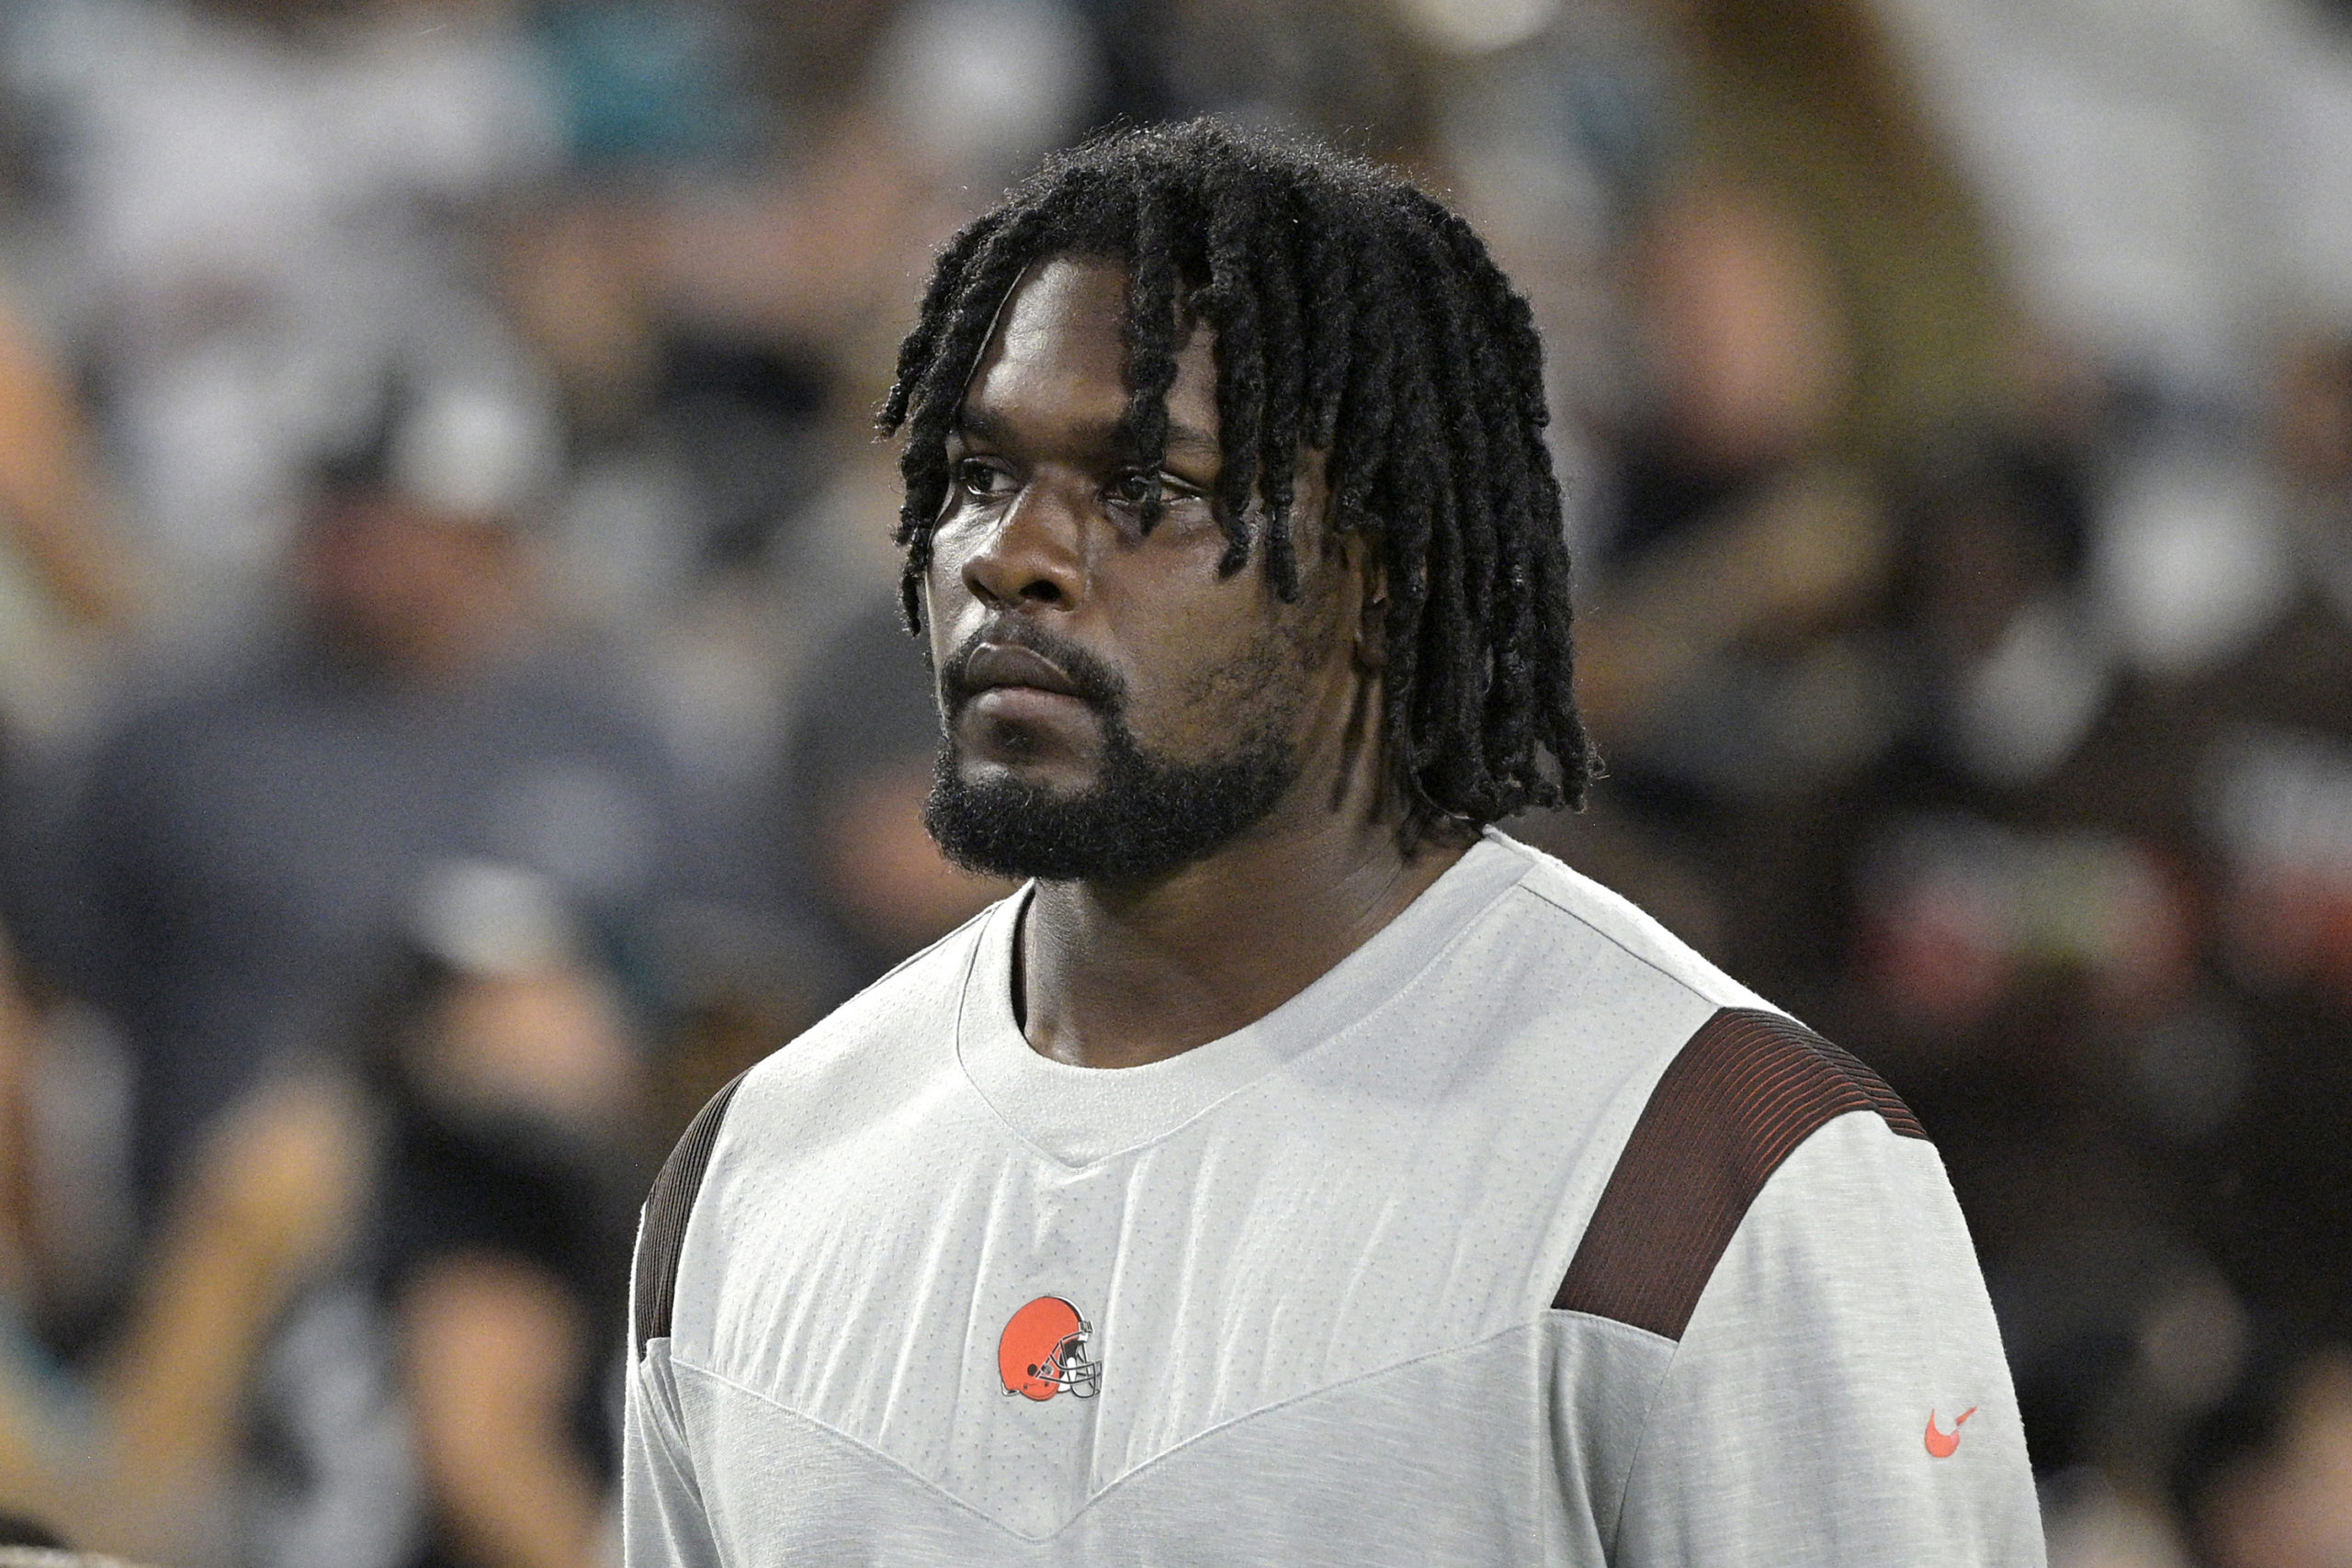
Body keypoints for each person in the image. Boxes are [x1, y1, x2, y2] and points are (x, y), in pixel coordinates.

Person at [624, 120, 2043, 1565]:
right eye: (977, 476)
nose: (1010, 555)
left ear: (1387, 574)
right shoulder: (759, 1172)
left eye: (1145, 494)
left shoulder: (1703, 1160)